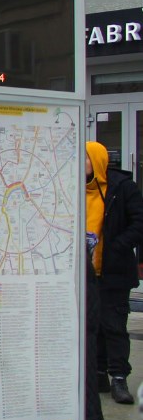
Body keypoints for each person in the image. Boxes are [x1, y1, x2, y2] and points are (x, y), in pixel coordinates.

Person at [84, 141, 142, 405]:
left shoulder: (122, 188)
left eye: (84, 158)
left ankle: (119, 376)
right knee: (92, 326)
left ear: (96, 161)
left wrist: (117, 246)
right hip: (85, 272)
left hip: (114, 271)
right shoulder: (75, 189)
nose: (79, 164)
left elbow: (139, 223)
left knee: (114, 325)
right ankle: (98, 374)